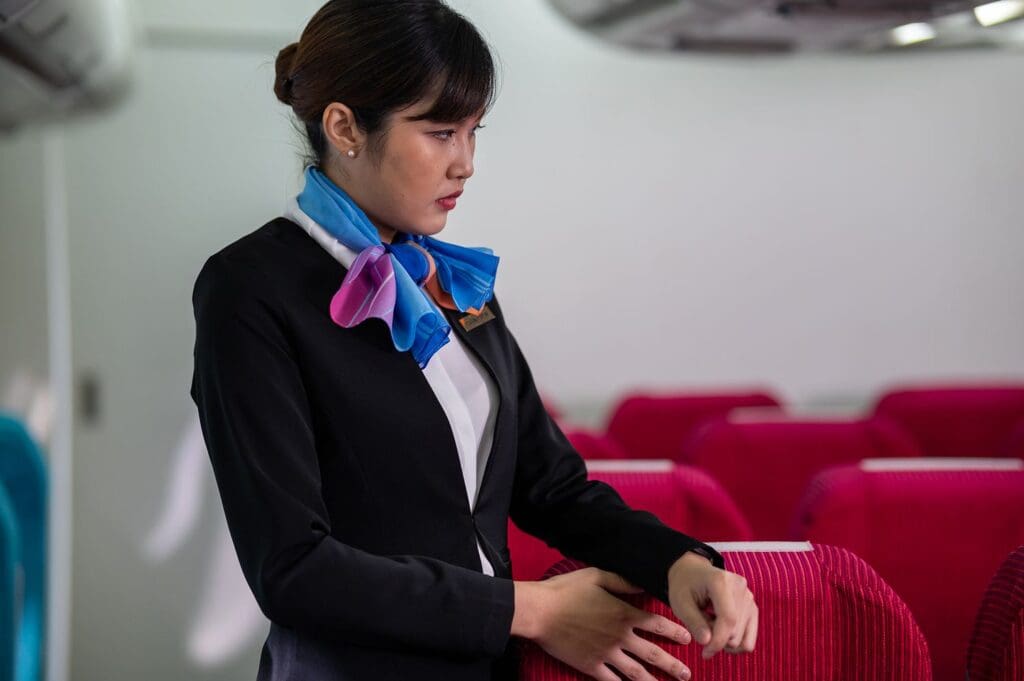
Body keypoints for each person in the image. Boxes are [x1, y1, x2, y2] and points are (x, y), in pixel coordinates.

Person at [189, 2, 758, 680]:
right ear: (344, 127)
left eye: (472, 132)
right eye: (439, 133)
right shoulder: (250, 288)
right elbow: (294, 568)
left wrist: (677, 560)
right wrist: (535, 611)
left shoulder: (451, 283)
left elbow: (550, 486)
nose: (466, 165)